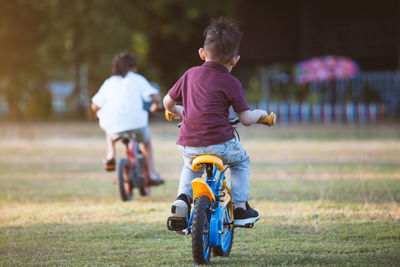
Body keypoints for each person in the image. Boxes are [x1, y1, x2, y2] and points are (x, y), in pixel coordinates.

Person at [163, 18, 270, 227]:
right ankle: (240, 207)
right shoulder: (231, 82)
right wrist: (260, 114)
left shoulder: (189, 74)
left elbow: (167, 102)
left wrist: (176, 111)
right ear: (235, 60)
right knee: (240, 162)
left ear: (202, 53)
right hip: (221, 143)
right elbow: (246, 119)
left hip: (189, 143)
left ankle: (182, 199)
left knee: (190, 165)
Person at [91, 52, 164, 185]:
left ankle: (111, 155)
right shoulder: (137, 79)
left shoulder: (109, 82)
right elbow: (155, 97)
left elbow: (95, 105)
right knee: (146, 142)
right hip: (137, 122)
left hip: (112, 123)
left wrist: (97, 112)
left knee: (108, 126)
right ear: (133, 67)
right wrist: (154, 106)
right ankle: (152, 174)